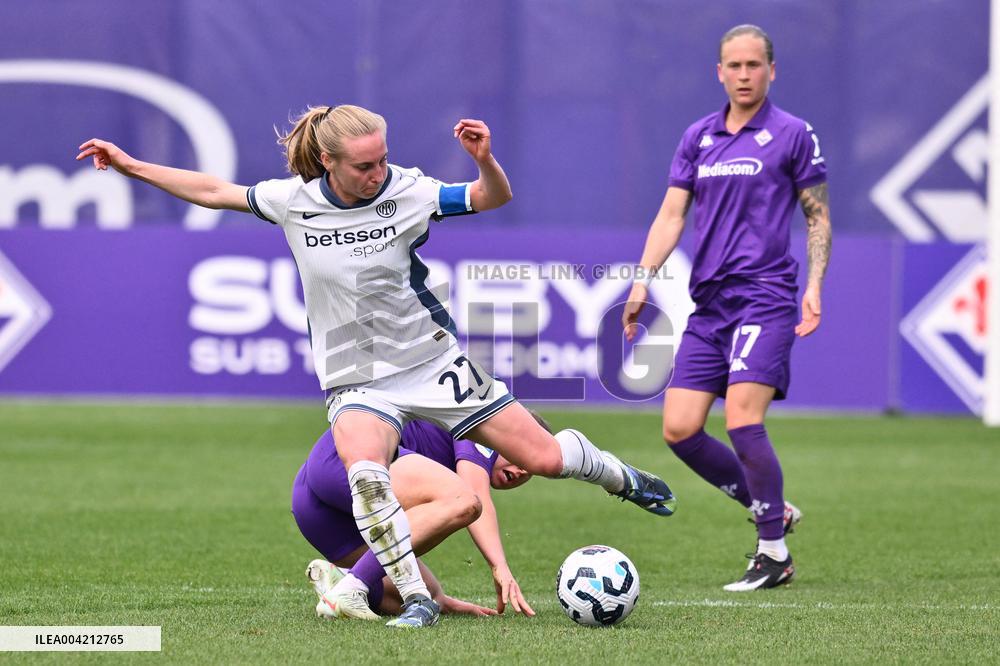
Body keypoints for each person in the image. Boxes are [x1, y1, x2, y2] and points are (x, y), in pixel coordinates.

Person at [79, 105, 675, 628]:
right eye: (364, 166)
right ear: (328, 163)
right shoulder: (294, 203)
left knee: (542, 458)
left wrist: (485, 161)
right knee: (368, 474)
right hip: (360, 380)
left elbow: (490, 198)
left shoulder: (408, 191)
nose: (378, 173)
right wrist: (132, 165)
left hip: (432, 361)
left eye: (382, 159)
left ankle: (622, 478)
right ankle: (414, 598)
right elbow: (213, 190)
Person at [622, 24, 831, 591]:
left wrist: (814, 285)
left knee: (742, 420)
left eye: (753, 65)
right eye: (733, 66)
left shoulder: (792, 134)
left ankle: (773, 552)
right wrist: (643, 281)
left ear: (771, 70)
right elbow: (671, 215)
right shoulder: (699, 137)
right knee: (679, 429)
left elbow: (816, 215)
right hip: (709, 305)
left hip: (765, 295)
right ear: (720, 72)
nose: (744, 75)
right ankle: (772, 505)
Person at [294, 416, 545, 621]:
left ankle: (339, 581)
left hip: (316, 508)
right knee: (463, 502)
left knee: (429, 595)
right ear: (511, 439)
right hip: (351, 460)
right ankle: (351, 587)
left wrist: (440, 599)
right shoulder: (487, 421)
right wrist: (499, 565)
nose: (523, 470)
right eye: (523, 457)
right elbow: (474, 493)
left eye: (531, 471)